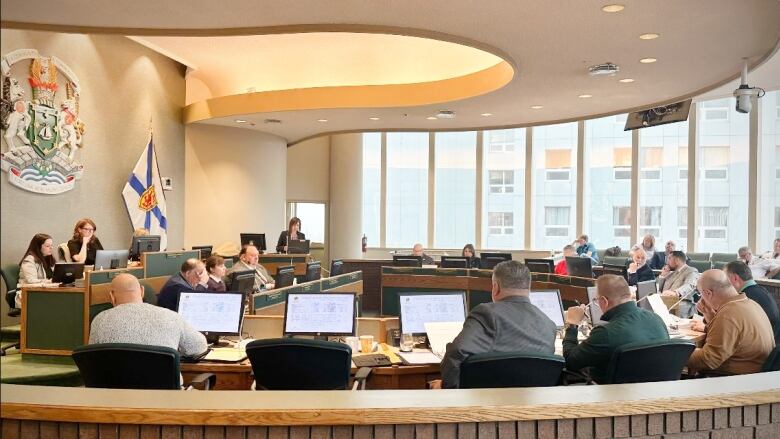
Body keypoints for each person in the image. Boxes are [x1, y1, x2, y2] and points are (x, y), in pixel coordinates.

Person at [431, 261, 557, 389]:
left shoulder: (487, 314)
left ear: (496, 288)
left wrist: (449, 391)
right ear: (529, 288)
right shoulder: (549, 324)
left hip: (485, 403)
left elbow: (456, 353)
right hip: (534, 406)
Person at [563, 274, 669, 383]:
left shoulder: (605, 333)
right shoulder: (656, 319)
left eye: (596, 300)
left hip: (613, 397)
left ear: (604, 301)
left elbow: (570, 361)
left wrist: (572, 324)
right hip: (657, 394)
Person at [89, 273, 207, 358]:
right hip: (163, 391)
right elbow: (198, 346)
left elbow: (93, 358)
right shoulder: (170, 316)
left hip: (114, 391)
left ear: (111, 296)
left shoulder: (99, 321)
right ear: (142, 291)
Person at [687, 270, 774, 376]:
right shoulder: (750, 303)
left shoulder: (728, 314)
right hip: (757, 371)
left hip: (736, 378)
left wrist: (676, 354)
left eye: (700, 294)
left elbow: (709, 360)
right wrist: (710, 316)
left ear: (708, 293)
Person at [723, 261, 780, 343]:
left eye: (726, 279)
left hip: (763, 347)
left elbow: (732, 328)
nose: (725, 283)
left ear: (735, 278)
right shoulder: (760, 290)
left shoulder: (746, 297)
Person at [657, 251, 699, 317]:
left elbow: (689, 285)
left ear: (677, 260)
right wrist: (663, 276)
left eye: (669, 258)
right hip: (666, 302)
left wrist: (676, 293)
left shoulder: (691, 271)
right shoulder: (671, 273)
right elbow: (659, 289)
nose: (667, 262)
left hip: (682, 304)